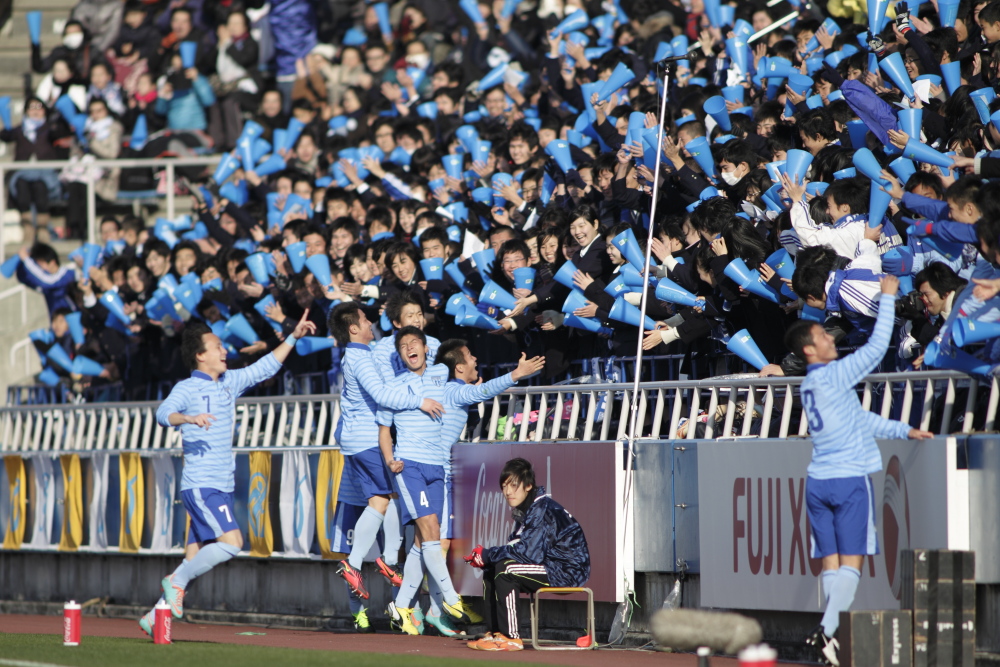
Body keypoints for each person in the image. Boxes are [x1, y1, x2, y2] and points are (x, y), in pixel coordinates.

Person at [138, 309, 318, 636]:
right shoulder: (187, 388)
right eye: (218, 347)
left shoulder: (229, 383)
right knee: (232, 543)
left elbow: (266, 366)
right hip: (201, 486)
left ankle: (154, 618)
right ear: (200, 356)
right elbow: (163, 414)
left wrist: (293, 337)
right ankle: (174, 581)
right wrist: (188, 418)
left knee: (193, 558)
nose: (225, 351)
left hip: (221, 486)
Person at [783, 275, 933, 666]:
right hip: (848, 480)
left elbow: (859, 419)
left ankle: (829, 636)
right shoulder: (834, 375)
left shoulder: (811, 386)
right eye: (823, 336)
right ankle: (826, 630)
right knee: (853, 565)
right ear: (809, 349)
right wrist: (887, 299)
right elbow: (876, 348)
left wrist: (903, 430)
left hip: (818, 483)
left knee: (831, 564)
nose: (831, 338)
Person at [326, 302, 444, 628]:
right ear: (354, 328)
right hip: (367, 440)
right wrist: (420, 401)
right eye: (366, 320)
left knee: (380, 500)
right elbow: (381, 395)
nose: (371, 324)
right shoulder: (361, 357)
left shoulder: (357, 355)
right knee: (389, 496)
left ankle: (373, 563)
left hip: (356, 440)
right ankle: (367, 563)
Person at [377, 327, 476, 634]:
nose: (410, 348)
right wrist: (390, 459)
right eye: (403, 345)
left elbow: (459, 378)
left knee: (423, 542)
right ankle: (451, 599)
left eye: (414, 343)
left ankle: (401, 606)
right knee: (432, 531)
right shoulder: (393, 387)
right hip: (410, 467)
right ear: (400, 354)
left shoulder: (440, 375)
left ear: (424, 348)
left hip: (436, 468)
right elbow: (384, 432)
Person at [463, 457, 591, 652]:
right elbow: (518, 547)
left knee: (505, 570)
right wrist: (487, 558)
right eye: (504, 486)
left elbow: (529, 554)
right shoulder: (527, 509)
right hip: (548, 565)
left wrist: (488, 554)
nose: (508, 492)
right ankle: (495, 633)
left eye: (514, 485)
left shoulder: (542, 509)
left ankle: (511, 637)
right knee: (492, 568)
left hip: (566, 571)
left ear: (528, 485)